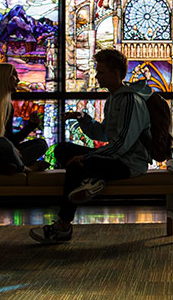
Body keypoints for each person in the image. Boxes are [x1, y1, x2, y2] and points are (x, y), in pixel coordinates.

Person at [29, 48, 152, 243]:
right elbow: (103, 133)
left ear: (115, 73)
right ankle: (96, 179)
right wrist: (83, 118)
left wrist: (87, 157)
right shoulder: (114, 98)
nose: (97, 76)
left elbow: (122, 143)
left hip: (129, 163)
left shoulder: (130, 100)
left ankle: (63, 226)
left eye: (101, 72)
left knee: (75, 164)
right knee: (63, 149)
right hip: (116, 157)